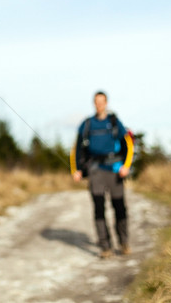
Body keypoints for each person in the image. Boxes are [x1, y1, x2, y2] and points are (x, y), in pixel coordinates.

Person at [71, 91, 133, 258]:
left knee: (119, 207)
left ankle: (123, 242)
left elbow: (128, 144)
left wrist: (126, 166)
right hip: (95, 170)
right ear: (94, 103)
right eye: (97, 102)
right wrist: (76, 169)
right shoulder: (87, 124)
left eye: (102, 101)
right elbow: (76, 148)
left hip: (115, 170)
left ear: (106, 103)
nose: (99, 104)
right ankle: (105, 247)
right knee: (99, 209)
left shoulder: (114, 122)